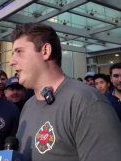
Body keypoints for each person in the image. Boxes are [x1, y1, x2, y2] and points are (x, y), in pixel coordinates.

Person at [10, 23, 121, 161]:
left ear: (45, 51)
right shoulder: (28, 105)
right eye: (12, 54)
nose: (12, 61)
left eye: (19, 52)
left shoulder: (87, 102)